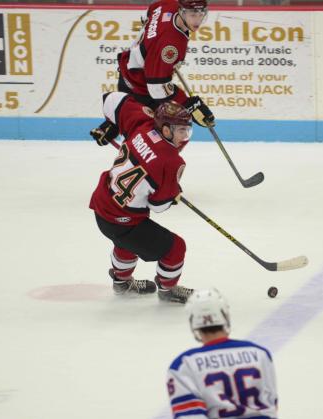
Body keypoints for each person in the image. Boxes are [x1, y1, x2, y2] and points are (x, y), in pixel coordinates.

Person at [89, 91, 194, 303]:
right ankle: (168, 289)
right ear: (165, 129)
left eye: (187, 130)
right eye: (181, 130)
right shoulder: (171, 162)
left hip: (102, 208)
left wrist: (110, 125)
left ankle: (121, 282)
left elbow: (111, 99)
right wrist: (172, 194)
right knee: (176, 247)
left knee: (127, 243)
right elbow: (159, 206)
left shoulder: (143, 123)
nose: (185, 136)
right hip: (124, 222)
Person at [90, 0, 215, 146]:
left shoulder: (167, 5)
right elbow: (157, 89)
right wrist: (188, 104)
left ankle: (115, 124)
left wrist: (151, 47)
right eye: (193, 14)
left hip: (132, 73)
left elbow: (150, 12)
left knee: (154, 131)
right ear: (181, 11)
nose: (198, 20)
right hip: (139, 87)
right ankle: (120, 124)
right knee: (168, 135)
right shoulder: (169, 44)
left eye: (201, 14)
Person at [166, 289, 278, 418]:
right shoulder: (259, 354)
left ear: (193, 322)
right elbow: (271, 406)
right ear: (225, 316)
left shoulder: (183, 366)